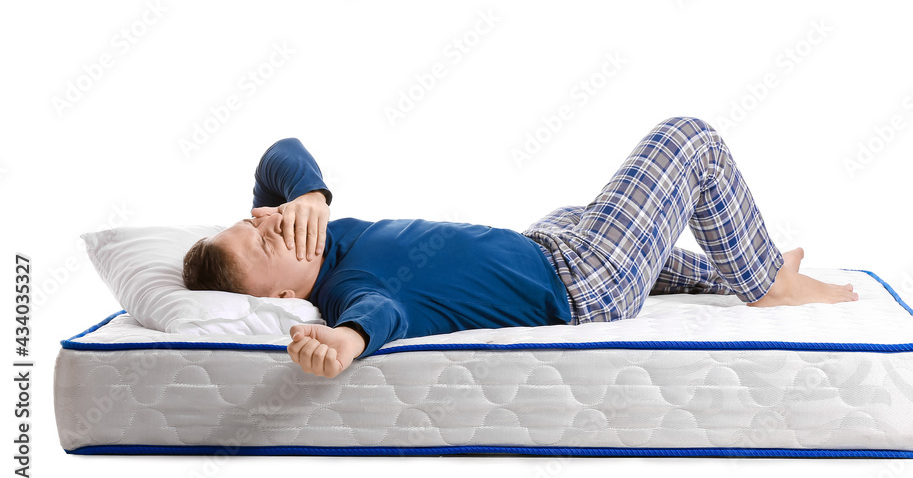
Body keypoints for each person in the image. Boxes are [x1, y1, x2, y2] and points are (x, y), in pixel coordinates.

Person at [183, 117, 858, 379]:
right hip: (583, 282)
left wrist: (310, 195)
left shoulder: (318, 233)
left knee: (577, 215)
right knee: (688, 143)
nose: (270, 218)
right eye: (266, 238)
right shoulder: (348, 291)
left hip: (551, 243)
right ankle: (767, 282)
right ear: (281, 296)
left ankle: (723, 272)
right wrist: (347, 343)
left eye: (260, 215)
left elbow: (282, 154)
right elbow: (378, 316)